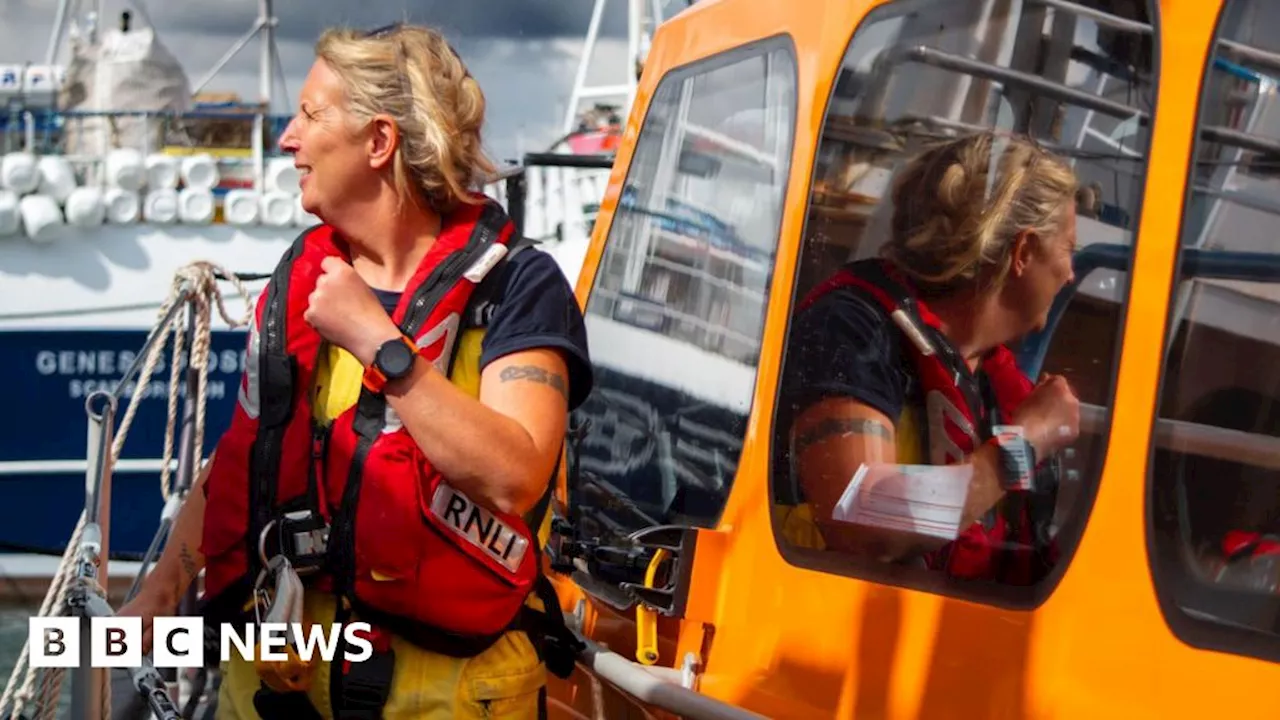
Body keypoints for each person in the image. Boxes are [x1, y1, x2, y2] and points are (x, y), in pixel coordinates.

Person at [118, 23, 593, 719]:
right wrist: (157, 598)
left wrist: (380, 343)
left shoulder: (518, 287)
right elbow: (243, 462)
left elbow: (514, 476)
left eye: (310, 115)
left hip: (445, 694)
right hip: (274, 691)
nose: (287, 138)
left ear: (378, 142)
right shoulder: (299, 282)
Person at [775, 131, 1081, 586]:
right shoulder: (853, 328)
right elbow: (862, 522)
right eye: (1068, 250)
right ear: (1024, 252)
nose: (1071, 273)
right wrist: (1026, 442)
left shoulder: (990, 382)